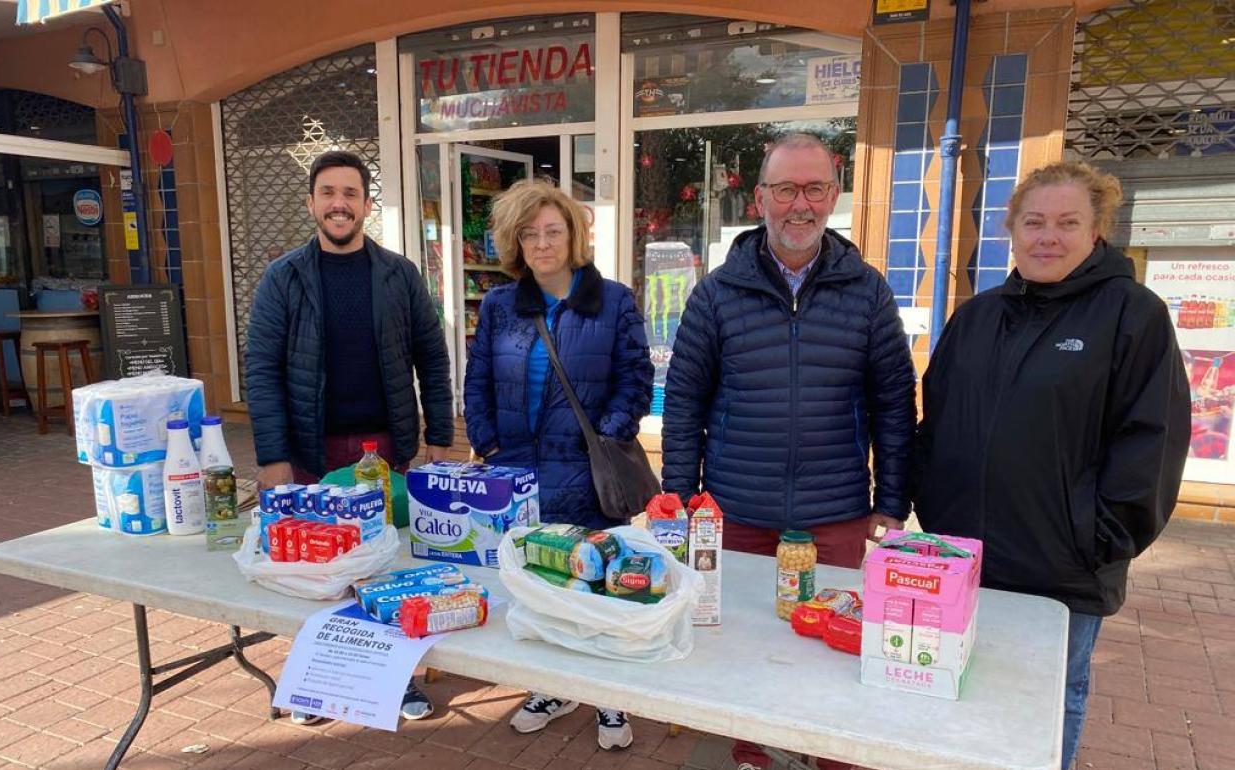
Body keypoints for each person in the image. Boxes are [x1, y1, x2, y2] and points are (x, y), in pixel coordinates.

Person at [912, 161, 1189, 770]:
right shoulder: (978, 316)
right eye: (1034, 222)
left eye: (1068, 223)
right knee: (958, 691)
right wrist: (931, 512)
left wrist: (1098, 539)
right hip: (965, 558)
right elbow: (936, 423)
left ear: (1096, 233)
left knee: (1044, 706)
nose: (1048, 237)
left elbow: (1153, 443)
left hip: (1063, 569)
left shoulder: (1132, 315)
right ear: (1012, 231)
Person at [661, 132, 916, 770]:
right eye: (784, 189)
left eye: (813, 189)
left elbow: (893, 401)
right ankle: (754, 750)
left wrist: (891, 501)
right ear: (759, 198)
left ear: (833, 196)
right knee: (745, 643)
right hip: (737, 508)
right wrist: (680, 495)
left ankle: (828, 751)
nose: (798, 205)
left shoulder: (868, 291)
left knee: (832, 642)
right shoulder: (716, 293)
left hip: (834, 510)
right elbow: (685, 401)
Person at [245, 150, 453, 725]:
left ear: (366, 204)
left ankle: (402, 678)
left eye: (351, 194)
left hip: (384, 449)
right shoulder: (282, 278)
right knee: (318, 572)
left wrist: (439, 436)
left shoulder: (399, 275)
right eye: (328, 192)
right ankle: (320, 680)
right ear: (312, 202)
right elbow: (261, 369)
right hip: (310, 453)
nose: (340, 204)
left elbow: (431, 358)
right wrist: (273, 458)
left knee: (390, 566)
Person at [463, 179, 653, 750]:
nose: (542, 244)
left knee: (597, 584)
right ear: (514, 243)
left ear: (573, 234)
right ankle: (552, 686)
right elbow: (477, 381)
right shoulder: (500, 305)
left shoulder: (613, 299)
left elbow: (635, 380)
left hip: (588, 473)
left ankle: (610, 697)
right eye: (529, 234)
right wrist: (487, 442)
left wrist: (607, 432)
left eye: (552, 231)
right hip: (519, 474)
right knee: (539, 587)